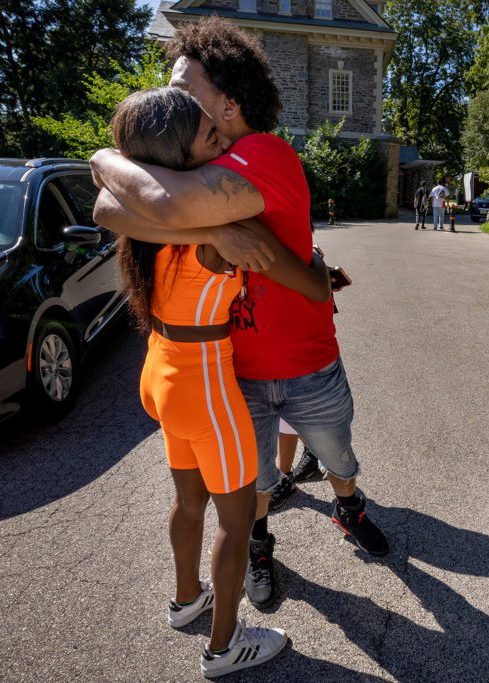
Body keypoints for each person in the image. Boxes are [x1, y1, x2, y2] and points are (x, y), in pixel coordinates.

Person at [91, 18, 390, 614]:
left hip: (305, 358)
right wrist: (219, 229)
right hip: (234, 368)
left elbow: (155, 203)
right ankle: (259, 548)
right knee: (253, 482)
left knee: (335, 454)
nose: (170, 93)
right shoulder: (188, 158)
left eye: (184, 84)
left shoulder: (262, 152)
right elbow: (107, 207)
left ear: (228, 104)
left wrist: (102, 155)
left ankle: (348, 507)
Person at [110, 87, 332, 677]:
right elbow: (311, 287)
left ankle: (186, 603)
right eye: (210, 138)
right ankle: (223, 647)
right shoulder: (222, 227)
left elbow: (112, 199)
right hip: (205, 385)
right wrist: (316, 266)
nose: (224, 144)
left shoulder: (146, 221)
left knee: (188, 501)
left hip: (160, 372)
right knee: (238, 525)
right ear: (179, 158)